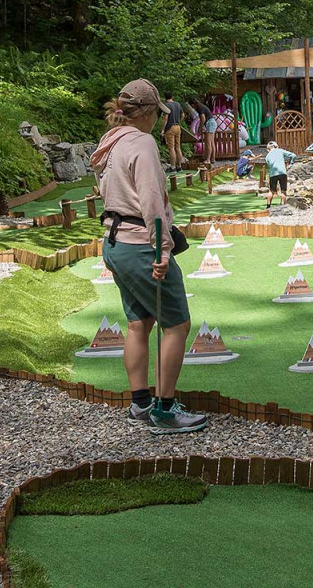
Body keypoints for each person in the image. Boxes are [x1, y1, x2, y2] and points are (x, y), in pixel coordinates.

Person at [91, 79, 208, 434]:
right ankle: (165, 409)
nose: (160, 121)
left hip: (114, 243)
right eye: (158, 114)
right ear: (148, 113)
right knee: (176, 324)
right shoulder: (141, 143)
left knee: (138, 322)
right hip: (141, 244)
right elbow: (152, 202)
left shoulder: (109, 142)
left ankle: (140, 402)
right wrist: (163, 249)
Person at [264, 140, 296, 208]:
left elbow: (269, 165)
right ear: (276, 146)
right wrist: (291, 164)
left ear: (268, 149)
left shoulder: (267, 156)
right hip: (282, 173)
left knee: (271, 191)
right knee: (283, 191)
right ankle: (282, 206)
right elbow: (293, 155)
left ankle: (268, 206)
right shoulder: (280, 151)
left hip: (273, 174)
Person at [162, 91, 185, 172]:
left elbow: (165, 118)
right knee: (178, 147)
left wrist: (163, 130)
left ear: (165, 97)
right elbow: (183, 115)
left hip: (170, 127)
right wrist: (179, 122)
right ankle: (179, 166)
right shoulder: (178, 104)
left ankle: (173, 167)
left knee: (171, 148)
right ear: (172, 96)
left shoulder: (166, 105)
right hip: (178, 127)